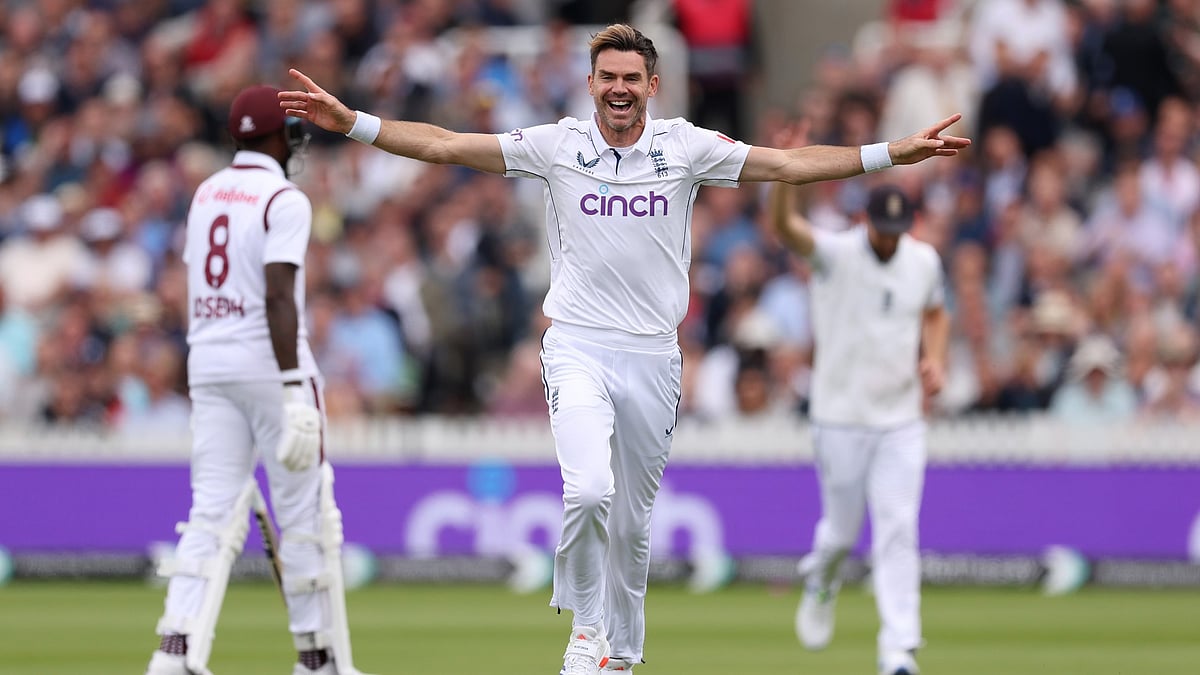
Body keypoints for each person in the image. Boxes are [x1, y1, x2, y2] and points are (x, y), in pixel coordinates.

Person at [278, 23, 968, 675]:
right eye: (608, 75)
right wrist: (358, 125)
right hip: (577, 344)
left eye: (631, 77)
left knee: (633, 525)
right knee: (587, 489)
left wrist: (891, 154)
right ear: (590, 82)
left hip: (653, 356)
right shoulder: (557, 145)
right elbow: (447, 145)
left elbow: (789, 163)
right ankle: (584, 631)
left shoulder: (685, 147)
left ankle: (624, 654)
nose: (619, 87)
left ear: (652, 85)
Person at [146, 85, 372, 675]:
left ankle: (175, 649)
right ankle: (317, 656)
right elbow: (278, 295)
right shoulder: (284, 198)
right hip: (269, 367)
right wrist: (295, 386)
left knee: (209, 513)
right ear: (279, 136)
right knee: (306, 517)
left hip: (209, 363)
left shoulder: (205, 193)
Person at [768, 135, 950, 675]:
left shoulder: (923, 261)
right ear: (866, 222)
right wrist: (784, 176)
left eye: (899, 233)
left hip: (900, 419)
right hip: (840, 416)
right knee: (842, 533)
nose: (891, 242)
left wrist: (934, 360)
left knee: (898, 527)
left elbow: (937, 314)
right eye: (882, 232)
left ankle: (898, 649)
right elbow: (785, 230)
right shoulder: (837, 254)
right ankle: (822, 578)